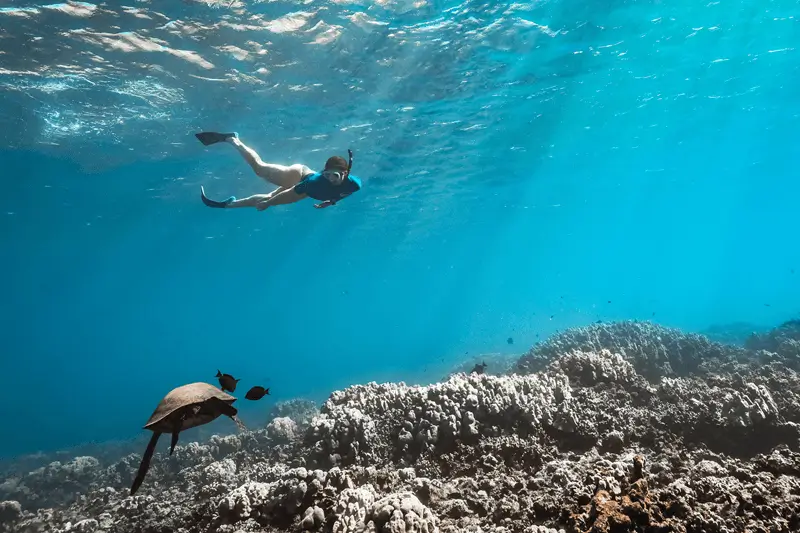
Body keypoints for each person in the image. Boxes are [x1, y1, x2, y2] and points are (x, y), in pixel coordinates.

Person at [194, 131, 362, 211]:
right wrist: (268, 204)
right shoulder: (316, 183)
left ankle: (227, 204)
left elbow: (345, 191)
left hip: (306, 191)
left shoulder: (354, 185)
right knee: (260, 170)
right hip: (298, 176)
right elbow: (289, 194)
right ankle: (232, 139)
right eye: (327, 174)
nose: (330, 179)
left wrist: (331, 201)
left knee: (267, 199)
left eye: (334, 176)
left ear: (345, 174)